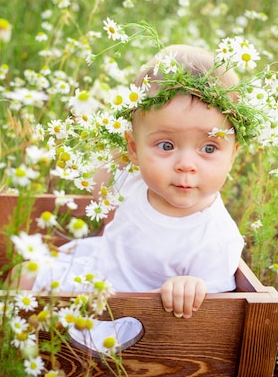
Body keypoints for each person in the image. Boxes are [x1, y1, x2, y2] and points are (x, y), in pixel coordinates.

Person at [13, 44, 248, 319]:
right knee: (23, 274)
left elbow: (218, 315)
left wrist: (193, 287)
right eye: (166, 145)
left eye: (208, 148)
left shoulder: (216, 238)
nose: (186, 164)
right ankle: (1, 345)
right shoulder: (136, 178)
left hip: (143, 318)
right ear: (135, 149)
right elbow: (97, 182)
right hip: (95, 275)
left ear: (232, 154)